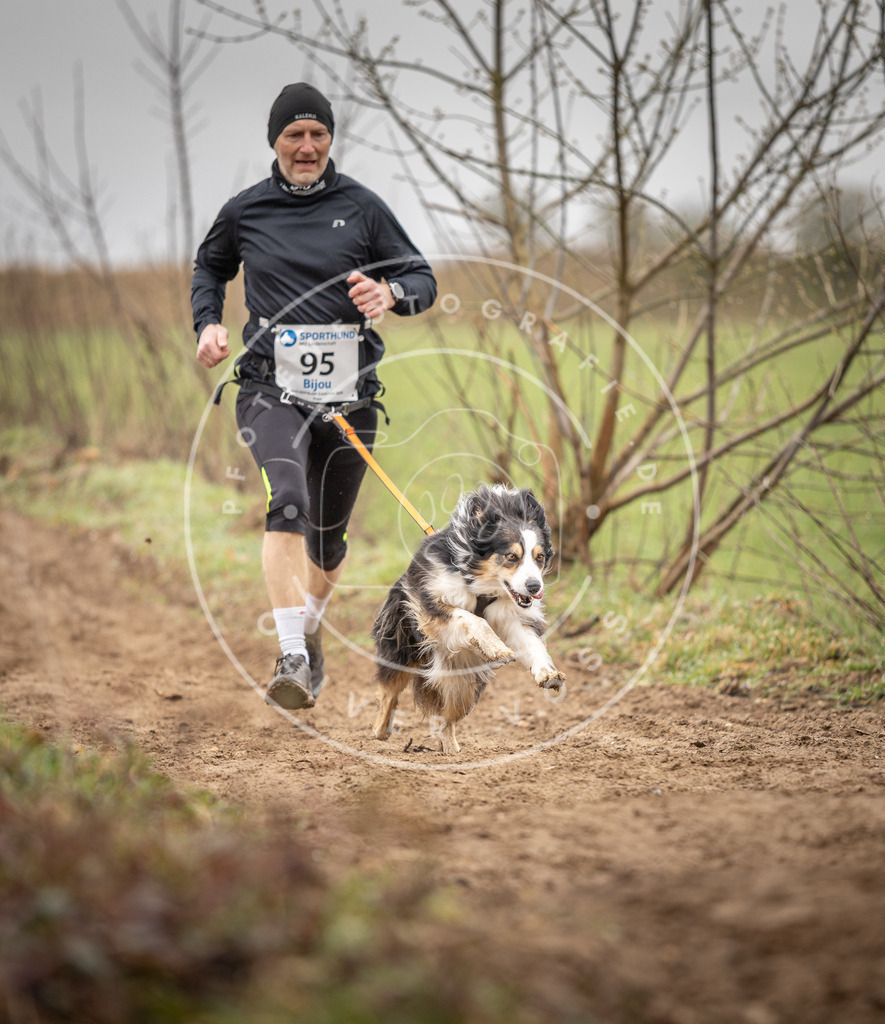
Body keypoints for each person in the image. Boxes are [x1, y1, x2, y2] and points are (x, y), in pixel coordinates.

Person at [191, 82, 437, 711]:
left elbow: (420, 275)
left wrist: (390, 295)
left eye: (318, 134)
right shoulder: (246, 210)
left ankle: (310, 628)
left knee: (327, 545)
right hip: (271, 390)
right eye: (294, 135)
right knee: (289, 504)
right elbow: (210, 266)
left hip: (350, 399)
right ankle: (292, 656)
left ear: (330, 139)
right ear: (273, 141)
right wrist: (208, 322)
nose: (306, 146)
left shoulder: (362, 207)